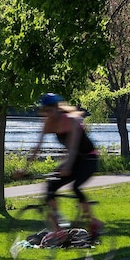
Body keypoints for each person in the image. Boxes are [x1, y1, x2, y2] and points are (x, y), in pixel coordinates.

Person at [25, 93, 103, 238]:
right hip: (74, 160)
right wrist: (24, 169)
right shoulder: (48, 124)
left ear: (57, 108)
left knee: (75, 187)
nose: (48, 114)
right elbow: (37, 147)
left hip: (89, 159)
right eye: (46, 111)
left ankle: (93, 222)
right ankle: (58, 229)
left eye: (51, 110)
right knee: (50, 187)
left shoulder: (71, 121)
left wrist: (66, 166)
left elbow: (73, 148)